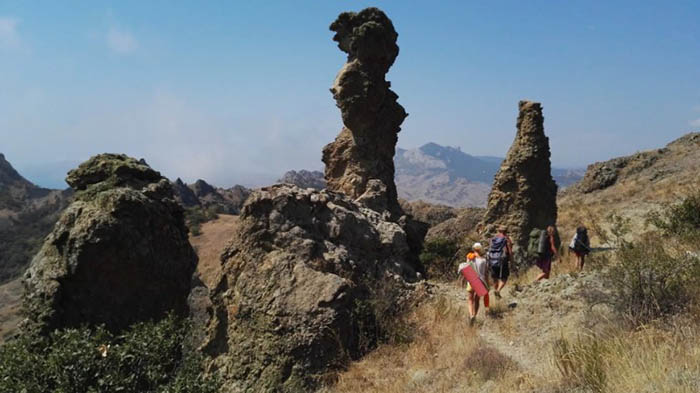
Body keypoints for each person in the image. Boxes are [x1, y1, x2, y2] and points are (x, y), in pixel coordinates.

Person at [459, 243, 490, 326]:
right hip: (481, 281)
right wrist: (488, 284)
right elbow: (486, 274)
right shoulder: (484, 260)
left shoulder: (470, 257)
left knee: (470, 299)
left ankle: (471, 315)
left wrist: (462, 279)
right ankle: (475, 315)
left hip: (472, 280)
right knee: (477, 300)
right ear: (481, 250)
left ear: (473, 249)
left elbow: (466, 269)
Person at [487, 225, 512, 298]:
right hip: (503, 260)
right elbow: (510, 251)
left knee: (495, 278)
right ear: (506, 231)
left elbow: (489, 249)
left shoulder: (493, 239)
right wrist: (511, 261)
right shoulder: (506, 239)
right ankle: (498, 290)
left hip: (493, 260)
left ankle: (496, 293)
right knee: (504, 277)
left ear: (499, 231)